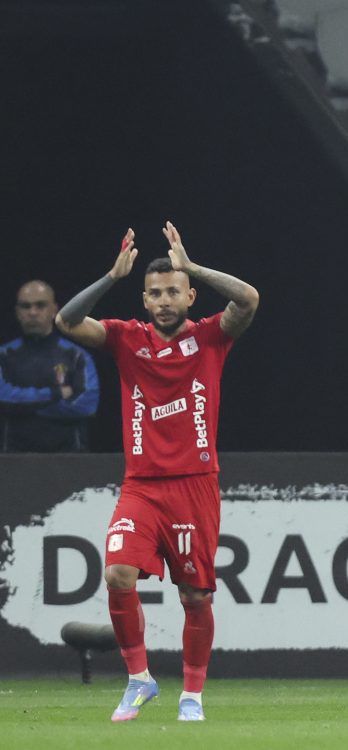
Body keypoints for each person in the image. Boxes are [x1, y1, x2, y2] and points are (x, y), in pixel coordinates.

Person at [55, 223, 259, 722]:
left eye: (173, 291)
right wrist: (109, 276)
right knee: (117, 573)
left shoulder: (211, 337)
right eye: (154, 293)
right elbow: (66, 321)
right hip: (141, 487)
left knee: (194, 595)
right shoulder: (127, 339)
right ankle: (139, 680)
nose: (164, 300)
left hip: (195, 485)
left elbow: (249, 298)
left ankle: (192, 694)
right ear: (144, 300)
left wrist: (194, 266)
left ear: (189, 295)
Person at [1, 280, 99, 451]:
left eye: (40, 305)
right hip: (14, 462)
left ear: (54, 310)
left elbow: (87, 405)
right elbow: (3, 398)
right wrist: (56, 393)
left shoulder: (76, 356)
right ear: (17, 312)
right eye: (26, 306)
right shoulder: (4, 356)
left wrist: (29, 411)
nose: (33, 312)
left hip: (69, 460)